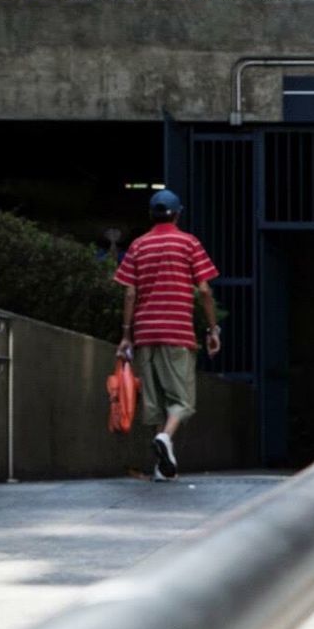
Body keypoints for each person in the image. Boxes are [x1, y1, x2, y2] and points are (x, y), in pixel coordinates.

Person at [114, 190, 221, 481]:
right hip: (177, 332)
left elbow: (129, 292)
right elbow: (204, 290)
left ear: (151, 215)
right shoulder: (189, 243)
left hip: (145, 333)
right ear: (178, 214)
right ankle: (165, 440)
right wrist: (212, 329)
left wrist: (127, 336)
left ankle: (161, 467)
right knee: (182, 401)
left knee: (154, 402)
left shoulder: (138, 246)